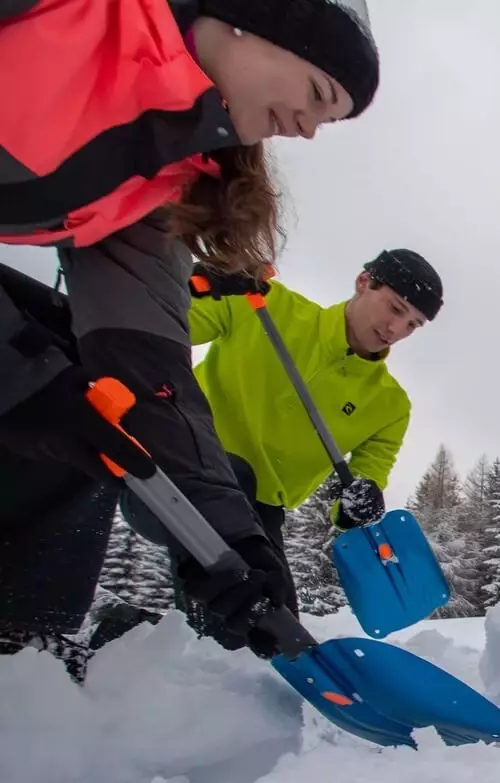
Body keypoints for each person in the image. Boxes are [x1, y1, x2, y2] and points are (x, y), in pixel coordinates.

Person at [0, 0, 381, 675]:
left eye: (330, 120)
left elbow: (145, 371)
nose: (310, 130)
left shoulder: (159, 177)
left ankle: (19, 650)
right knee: (43, 380)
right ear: (248, 21)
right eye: (319, 94)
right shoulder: (68, 17)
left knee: (94, 404)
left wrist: (228, 540)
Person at [114, 249, 441, 646]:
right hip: (172, 470)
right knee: (240, 611)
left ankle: (125, 631)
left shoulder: (390, 405)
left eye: (413, 324)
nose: (396, 328)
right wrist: (186, 287)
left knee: (273, 638)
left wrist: (360, 505)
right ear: (363, 282)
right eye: (395, 307)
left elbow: (357, 490)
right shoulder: (264, 302)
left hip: (258, 517)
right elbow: (166, 329)